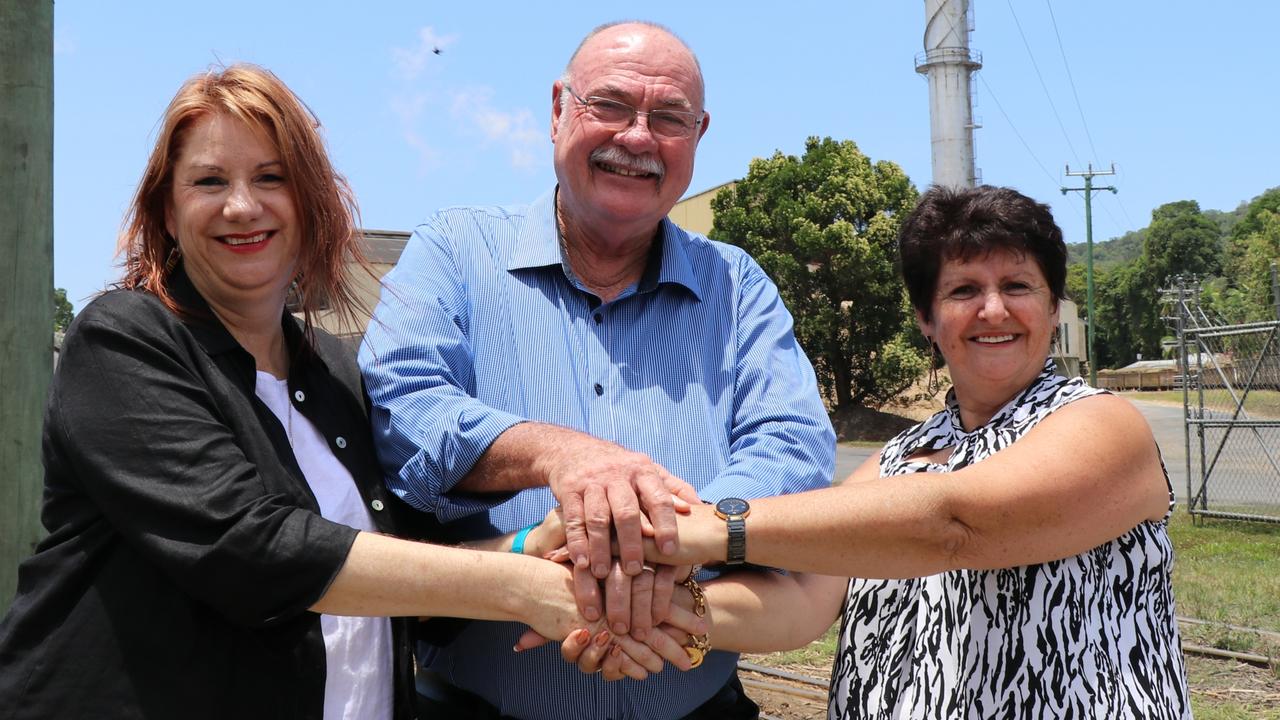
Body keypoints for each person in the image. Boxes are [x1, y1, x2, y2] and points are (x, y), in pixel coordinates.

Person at [0, 64, 698, 720]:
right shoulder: (123, 340)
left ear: (310, 201)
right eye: (209, 181)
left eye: (271, 177)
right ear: (168, 210)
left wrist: (529, 548)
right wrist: (523, 590)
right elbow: (254, 549)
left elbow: (398, 564)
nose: (243, 207)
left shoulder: (333, 372)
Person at [359, 20, 836, 720]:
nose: (638, 137)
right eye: (609, 105)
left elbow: (793, 444)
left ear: (698, 135)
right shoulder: (454, 251)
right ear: (558, 111)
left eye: (668, 117)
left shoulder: (739, 288)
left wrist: (664, 543)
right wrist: (564, 458)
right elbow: (404, 408)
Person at [606, 185, 1190, 719]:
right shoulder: (896, 460)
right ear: (925, 319)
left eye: (1017, 286)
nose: (993, 310)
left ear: (1054, 307)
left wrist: (702, 529)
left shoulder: (1102, 424)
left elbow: (952, 523)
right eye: (963, 290)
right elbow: (801, 602)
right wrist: (642, 609)